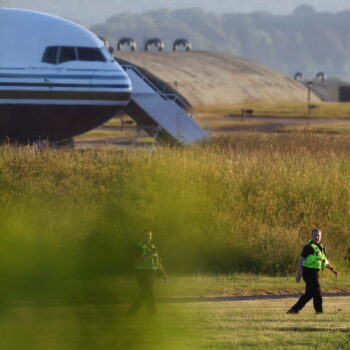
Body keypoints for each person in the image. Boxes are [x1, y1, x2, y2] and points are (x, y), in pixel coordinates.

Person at [287, 228, 338, 314]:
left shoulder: (321, 247)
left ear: (321, 237)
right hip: (308, 273)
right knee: (317, 292)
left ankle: (293, 310)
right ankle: (319, 312)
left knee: (309, 295)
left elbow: (324, 261)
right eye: (315, 235)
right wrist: (298, 274)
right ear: (311, 236)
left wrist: (332, 269)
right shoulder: (308, 247)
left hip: (315, 273)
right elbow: (301, 261)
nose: (316, 237)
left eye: (318, 235)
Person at [127, 231, 167, 315]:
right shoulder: (138, 247)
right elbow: (136, 262)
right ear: (142, 236)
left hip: (150, 274)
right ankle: (152, 312)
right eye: (146, 235)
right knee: (149, 293)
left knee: (145, 294)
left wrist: (163, 274)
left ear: (151, 236)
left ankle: (131, 312)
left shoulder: (153, 247)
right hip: (141, 273)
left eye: (149, 235)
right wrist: (149, 255)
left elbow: (158, 262)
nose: (148, 237)